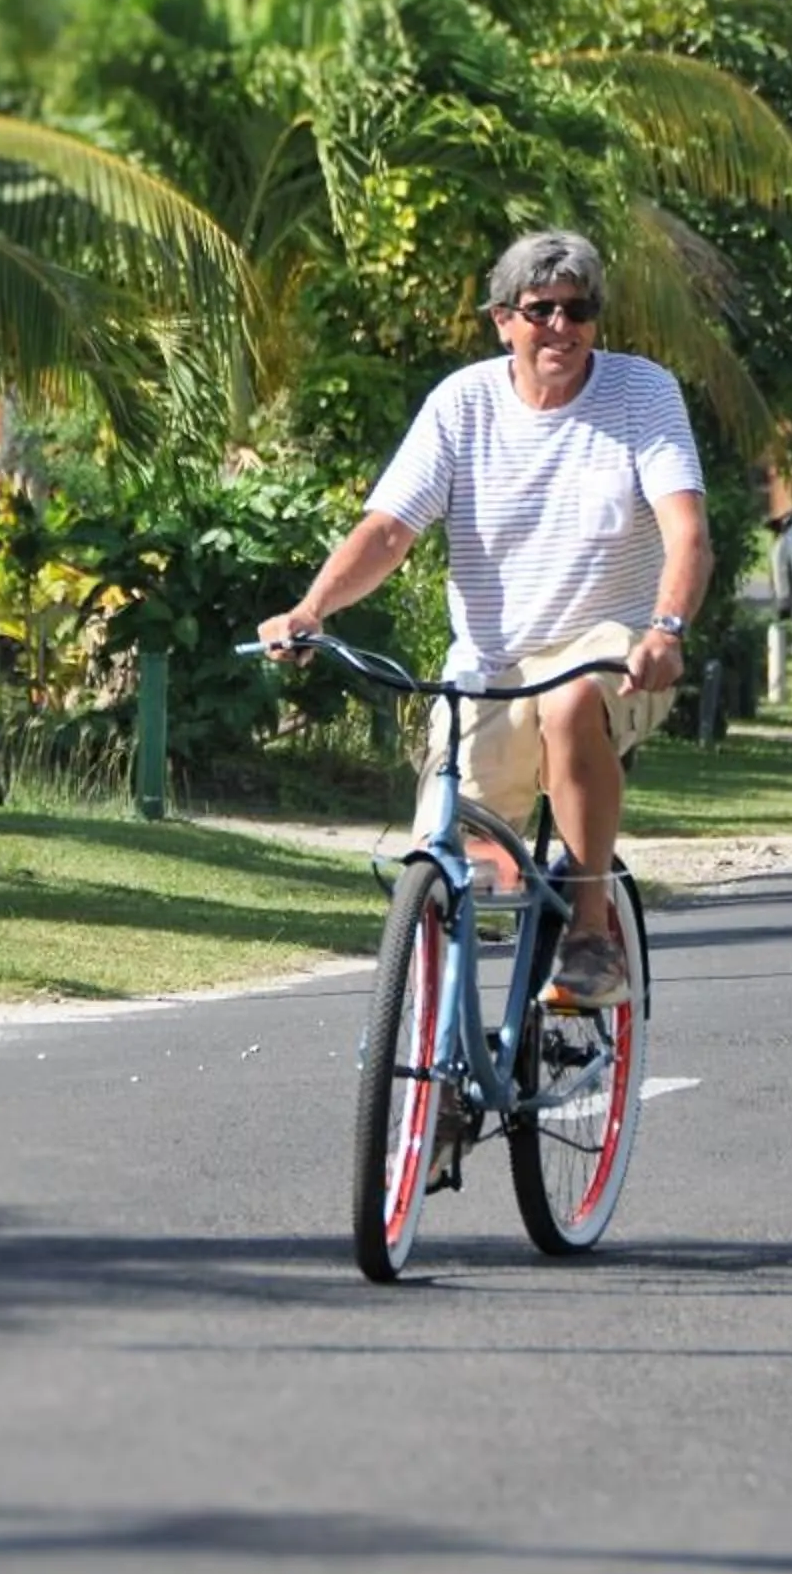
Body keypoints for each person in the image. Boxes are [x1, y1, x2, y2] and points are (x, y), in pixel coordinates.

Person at [258, 230, 711, 1009]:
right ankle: (440, 1076)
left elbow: (688, 534)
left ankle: (592, 934)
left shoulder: (642, 393)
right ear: (503, 319)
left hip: (612, 646)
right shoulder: (462, 404)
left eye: (579, 311)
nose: (561, 329)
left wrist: (665, 628)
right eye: (541, 311)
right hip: (489, 671)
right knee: (452, 872)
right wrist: (311, 609)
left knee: (571, 707)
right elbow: (390, 530)